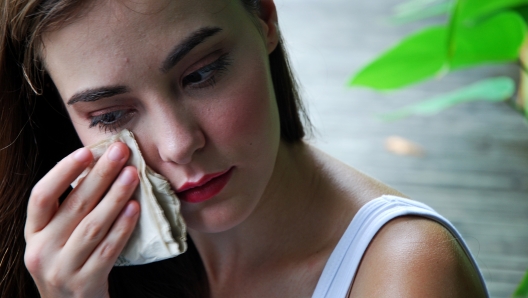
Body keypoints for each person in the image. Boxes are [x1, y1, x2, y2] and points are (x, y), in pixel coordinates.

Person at [0, 0, 488, 297]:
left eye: (202, 74)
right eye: (109, 116)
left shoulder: (410, 275)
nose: (179, 144)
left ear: (265, 18)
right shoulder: (77, 270)